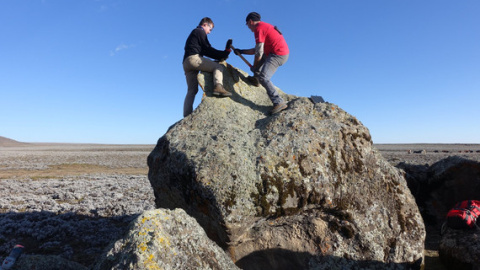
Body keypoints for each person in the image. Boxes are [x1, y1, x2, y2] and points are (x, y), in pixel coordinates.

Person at [234, 12, 289, 114]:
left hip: (278, 55)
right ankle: (256, 79)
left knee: (264, 77)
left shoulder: (258, 28)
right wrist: (241, 51)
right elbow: (258, 49)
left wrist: (255, 66)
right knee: (259, 68)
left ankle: (279, 102)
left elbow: (259, 52)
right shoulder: (264, 26)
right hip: (271, 52)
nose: (249, 28)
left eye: (247, 25)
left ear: (250, 22)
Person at [183, 17, 232, 117]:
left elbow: (206, 51)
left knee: (192, 90)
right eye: (210, 29)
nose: (209, 32)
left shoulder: (194, 34)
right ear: (205, 25)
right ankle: (218, 86)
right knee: (218, 67)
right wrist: (223, 53)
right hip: (194, 58)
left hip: (186, 63)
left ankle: (187, 115)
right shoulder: (199, 31)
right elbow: (208, 49)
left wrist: (223, 54)